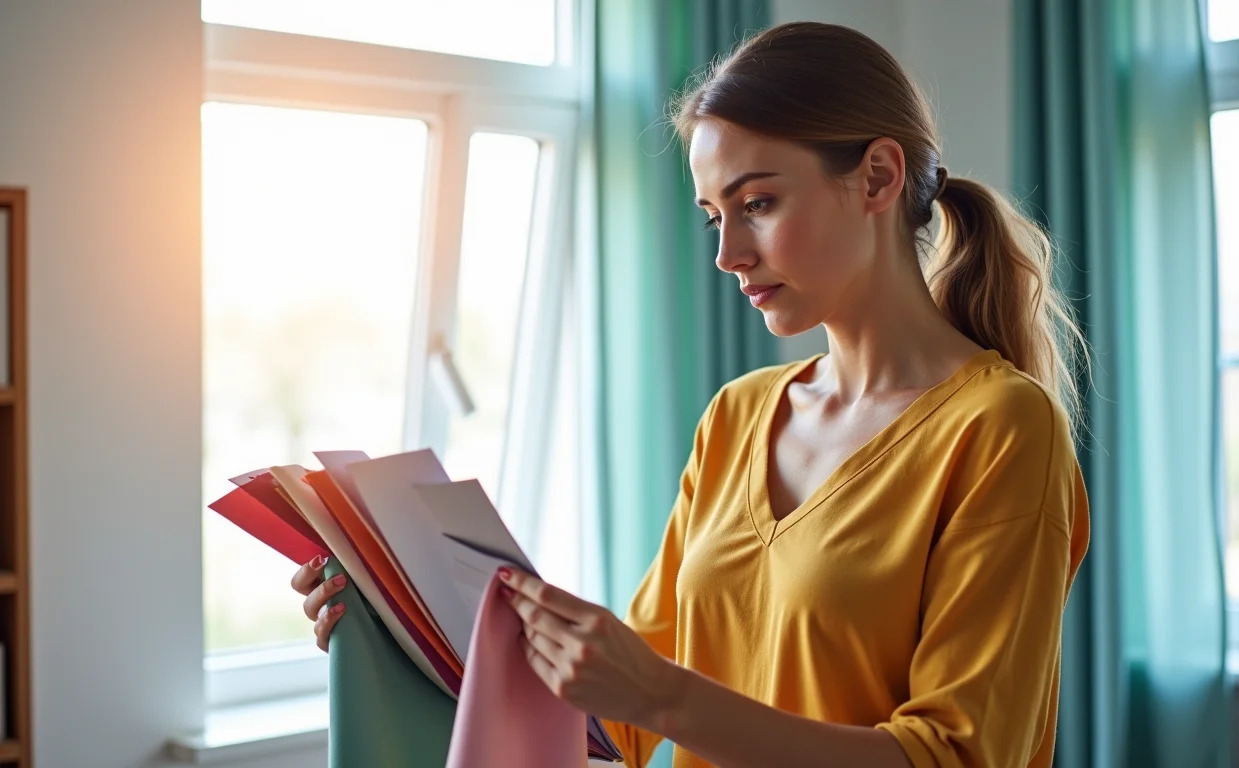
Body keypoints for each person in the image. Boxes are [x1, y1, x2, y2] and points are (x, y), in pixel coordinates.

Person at [291, 21, 1090, 768]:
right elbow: (613, 730)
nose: (728, 253)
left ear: (878, 177)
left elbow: (956, 755)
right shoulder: (737, 416)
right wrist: (395, 633)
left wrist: (660, 695)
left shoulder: (1001, 427)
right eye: (715, 217)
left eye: (758, 204)